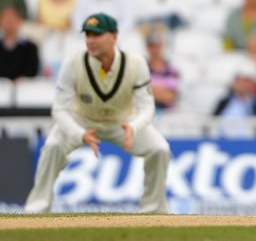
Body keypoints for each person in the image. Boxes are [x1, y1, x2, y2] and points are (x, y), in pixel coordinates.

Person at [25, 13, 170, 213]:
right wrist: (79, 134)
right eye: (88, 35)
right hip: (82, 120)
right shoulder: (73, 63)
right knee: (53, 145)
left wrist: (134, 127)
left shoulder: (135, 63)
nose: (91, 41)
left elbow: (147, 107)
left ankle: (154, 212)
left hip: (123, 122)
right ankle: (37, 209)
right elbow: (59, 109)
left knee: (160, 149)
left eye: (97, 35)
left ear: (114, 37)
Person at [0, 5, 39, 81]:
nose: (9, 22)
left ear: (19, 21)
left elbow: (32, 71)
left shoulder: (30, 48)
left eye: (12, 18)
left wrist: (21, 80)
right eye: (6, 18)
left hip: (24, 89)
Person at [145, 26, 179, 111]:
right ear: (147, 47)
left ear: (161, 45)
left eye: (157, 45)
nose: (154, 49)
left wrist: (148, 90)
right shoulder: (141, 68)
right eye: (151, 46)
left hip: (166, 114)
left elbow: (170, 97)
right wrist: (160, 92)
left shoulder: (172, 70)